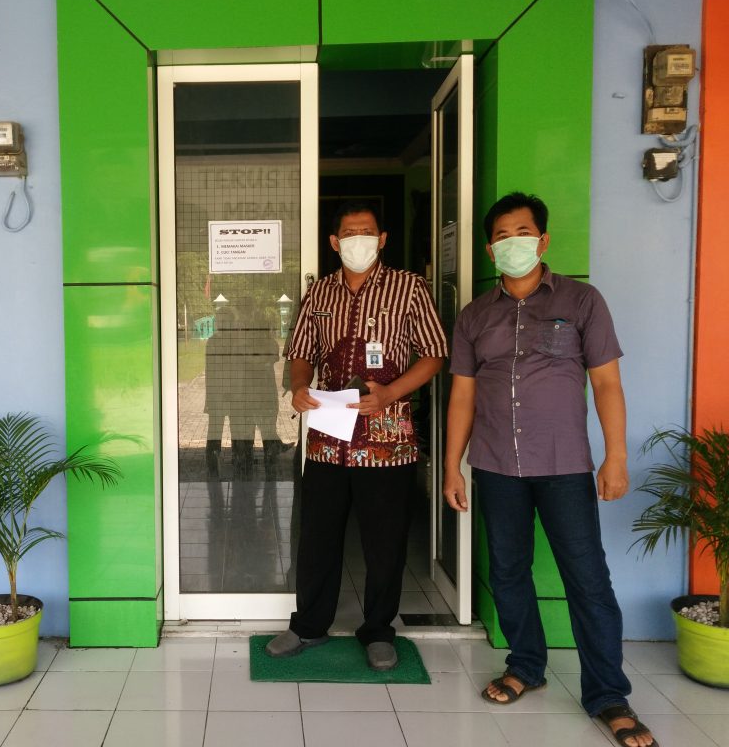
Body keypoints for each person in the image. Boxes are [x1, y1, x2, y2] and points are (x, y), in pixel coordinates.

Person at [443, 192, 656, 747]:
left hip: (564, 466)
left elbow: (606, 384)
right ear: (490, 249)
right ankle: (526, 665)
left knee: (587, 579)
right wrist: (451, 466)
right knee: (508, 571)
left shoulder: (582, 301)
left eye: (523, 232)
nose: (513, 243)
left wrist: (616, 457)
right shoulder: (474, 316)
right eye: (502, 236)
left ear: (543, 240)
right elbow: (462, 395)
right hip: (495, 463)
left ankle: (608, 695)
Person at [265, 200, 447, 670]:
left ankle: (378, 630)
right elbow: (301, 351)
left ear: (382, 239)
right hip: (329, 435)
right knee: (317, 535)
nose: (358, 240)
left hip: (388, 437)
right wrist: (300, 386)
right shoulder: (319, 293)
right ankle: (309, 624)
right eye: (349, 233)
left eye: (367, 231)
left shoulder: (410, 288)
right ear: (335, 242)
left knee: (385, 541)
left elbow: (434, 353)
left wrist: (391, 393)